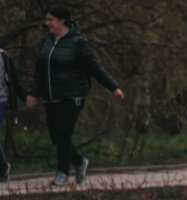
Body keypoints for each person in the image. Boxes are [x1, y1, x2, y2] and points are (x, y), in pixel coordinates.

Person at [24, 4, 124, 187]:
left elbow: (94, 67)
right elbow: (40, 70)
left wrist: (113, 87)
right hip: (50, 96)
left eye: (51, 20)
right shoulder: (47, 41)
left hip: (72, 95)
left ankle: (62, 172)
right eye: (47, 20)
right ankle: (79, 162)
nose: (48, 23)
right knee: (56, 136)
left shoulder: (78, 42)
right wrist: (33, 93)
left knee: (63, 132)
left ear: (62, 20)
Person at [0, 42, 27, 181]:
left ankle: (3, 165)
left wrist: (26, 97)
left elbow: (15, 82)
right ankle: (3, 164)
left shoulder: (5, 57)